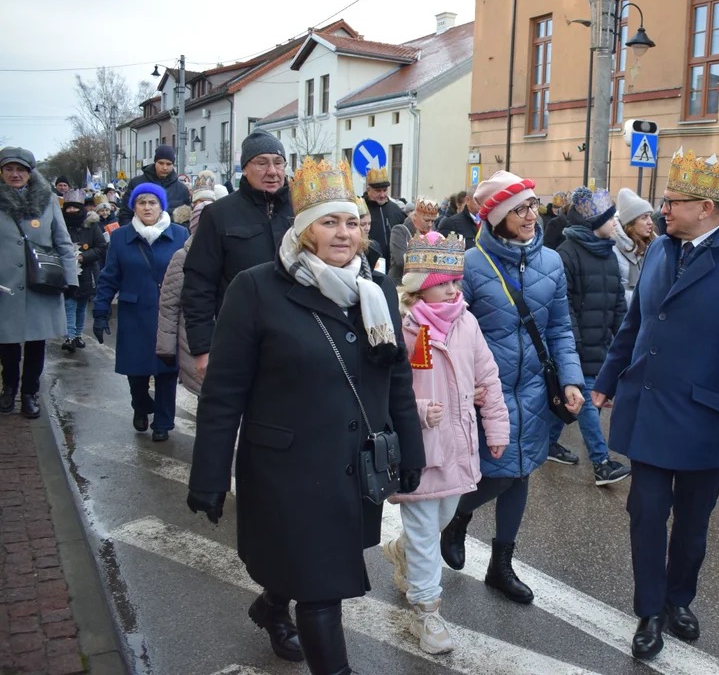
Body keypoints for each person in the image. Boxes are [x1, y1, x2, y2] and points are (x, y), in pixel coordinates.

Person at [187, 157, 425, 674]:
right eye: (329, 221)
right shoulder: (256, 288)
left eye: (352, 222)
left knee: (307, 564)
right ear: (304, 230)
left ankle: (271, 605)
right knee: (321, 589)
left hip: (352, 466)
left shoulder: (377, 291)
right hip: (287, 469)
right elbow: (225, 392)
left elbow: (397, 379)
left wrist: (410, 449)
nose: (344, 233)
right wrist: (208, 474)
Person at [592, 149, 719, 660]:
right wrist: (606, 381)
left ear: (707, 207)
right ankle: (649, 610)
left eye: (672, 202)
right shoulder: (658, 250)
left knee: (694, 525)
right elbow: (635, 327)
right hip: (649, 409)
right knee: (647, 514)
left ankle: (680, 599)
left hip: (706, 417)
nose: (662, 211)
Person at [440, 170, 584, 605]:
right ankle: (459, 516)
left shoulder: (552, 262)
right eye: (520, 208)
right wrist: (465, 386)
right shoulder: (468, 264)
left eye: (532, 205)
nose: (530, 215)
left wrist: (572, 377)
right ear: (498, 215)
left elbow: (559, 327)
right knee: (493, 470)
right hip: (487, 394)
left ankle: (501, 565)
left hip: (536, 390)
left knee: (521, 470)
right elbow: (448, 332)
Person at [381, 231, 510, 655]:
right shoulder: (402, 326)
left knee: (442, 518)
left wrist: (496, 429)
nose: (454, 290)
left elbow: (487, 378)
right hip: (419, 449)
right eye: (443, 282)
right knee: (423, 532)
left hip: (457, 446)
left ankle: (401, 551)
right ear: (419, 284)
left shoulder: (466, 322)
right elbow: (385, 387)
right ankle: (428, 611)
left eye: (456, 281)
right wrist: (418, 409)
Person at [181, 131, 293, 388]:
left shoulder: (302, 211)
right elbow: (198, 285)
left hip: (298, 340)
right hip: (239, 340)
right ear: (244, 168)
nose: (273, 171)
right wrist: (202, 349)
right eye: (262, 163)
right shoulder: (219, 214)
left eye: (278, 162)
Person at [92, 183, 188, 442]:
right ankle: (141, 405)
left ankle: (163, 423)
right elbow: (109, 276)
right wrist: (100, 310)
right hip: (134, 312)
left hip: (169, 313)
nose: (147, 207)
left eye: (152, 202)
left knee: (168, 370)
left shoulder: (180, 234)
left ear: (161, 206)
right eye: (141, 202)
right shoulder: (122, 237)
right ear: (134, 206)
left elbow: (193, 274)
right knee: (136, 371)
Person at [549, 188, 630, 484]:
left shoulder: (608, 253)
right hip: (577, 346)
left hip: (602, 345)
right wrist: (573, 343)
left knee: (571, 400)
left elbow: (619, 302)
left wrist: (623, 339)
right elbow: (563, 305)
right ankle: (601, 462)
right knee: (583, 399)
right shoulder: (566, 254)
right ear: (594, 221)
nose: (615, 224)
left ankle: (547, 442)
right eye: (610, 219)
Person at [0, 148, 78, 418]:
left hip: (40, 283)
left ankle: (29, 393)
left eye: (21, 169)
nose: (15, 174)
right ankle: (9, 387)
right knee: (7, 343)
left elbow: (63, 241)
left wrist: (71, 279)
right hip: (5, 286)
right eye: (9, 169)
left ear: (30, 173)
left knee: (36, 343)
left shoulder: (48, 202)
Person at [156, 173, 223, 396]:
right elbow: (169, 306)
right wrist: (166, 348)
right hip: (194, 344)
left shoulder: (229, 253)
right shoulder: (182, 257)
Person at [60, 192, 107, 353]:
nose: (72, 210)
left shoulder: (91, 225)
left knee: (81, 305)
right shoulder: (60, 224)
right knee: (69, 304)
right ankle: (69, 336)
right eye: (69, 207)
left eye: (75, 207)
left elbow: (101, 246)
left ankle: (78, 334)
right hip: (65, 272)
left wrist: (83, 257)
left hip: (86, 272)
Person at [117, 145, 191, 226]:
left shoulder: (182, 189)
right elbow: (125, 215)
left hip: (171, 236)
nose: (165, 167)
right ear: (155, 162)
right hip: (139, 235)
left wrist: (178, 235)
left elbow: (186, 219)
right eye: (161, 163)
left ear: (173, 165)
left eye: (168, 164)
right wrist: (132, 235)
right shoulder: (137, 183)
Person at [612, 187, 656, 303]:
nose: (650, 222)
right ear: (630, 222)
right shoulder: (614, 249)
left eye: (650, 216)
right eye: (644, 217)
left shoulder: (655, 246)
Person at [389, 199, 439, 284]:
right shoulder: (399, 230)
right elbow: (402, 261)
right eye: (426, 220)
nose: (430, 224)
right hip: (401, 284)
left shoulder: (433, 233)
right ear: (415, 217)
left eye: (433, 221)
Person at [362, 164, 405, 261]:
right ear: (369, 190)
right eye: (378, 191)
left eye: (385, 190)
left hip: (392, 265)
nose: (382, 195)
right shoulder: (361, 209)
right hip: (369, 262)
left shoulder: (395, 210)